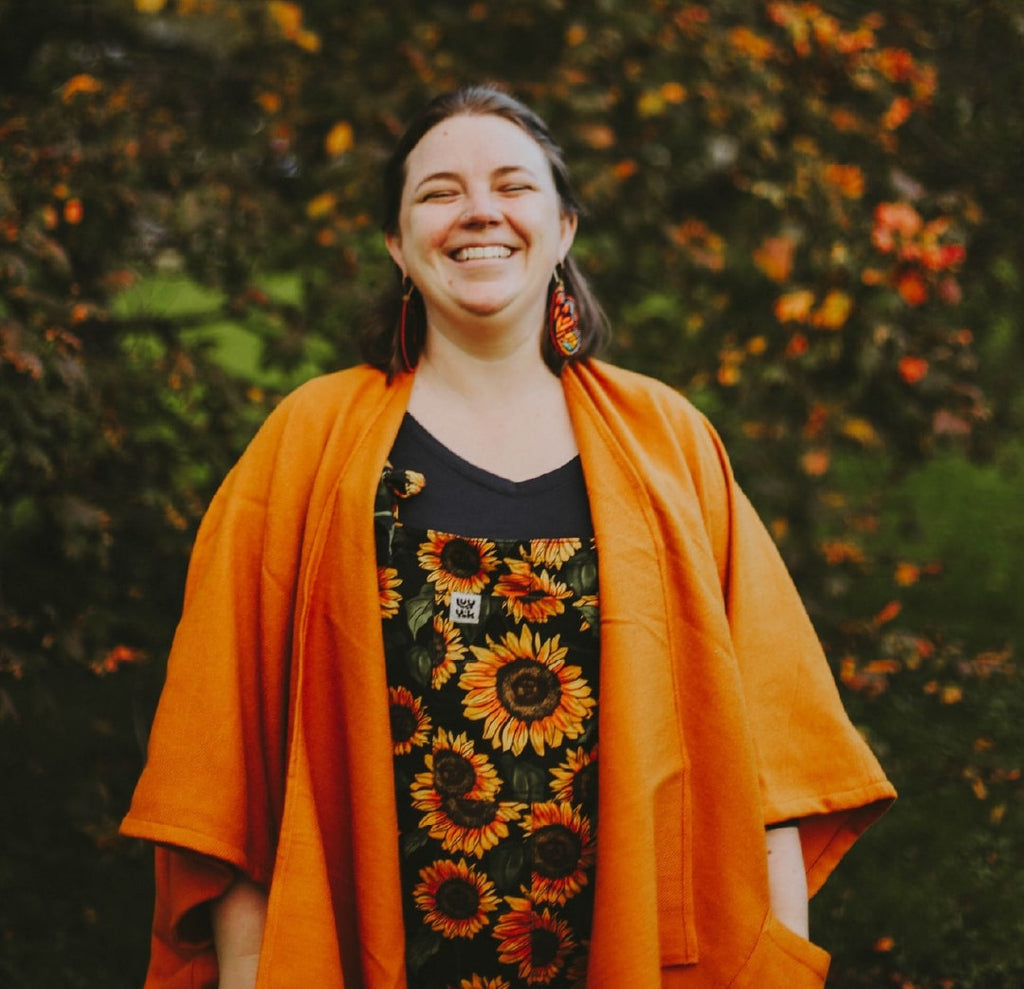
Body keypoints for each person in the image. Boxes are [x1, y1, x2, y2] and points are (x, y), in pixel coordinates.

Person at [121, 85, 896, 989]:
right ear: (397, 243)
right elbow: (227, 777)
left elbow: (774, 769)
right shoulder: (307, 445)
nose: (479, 210)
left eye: (512, 185)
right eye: (439, 191)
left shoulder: (669, 444)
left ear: (562, 229)